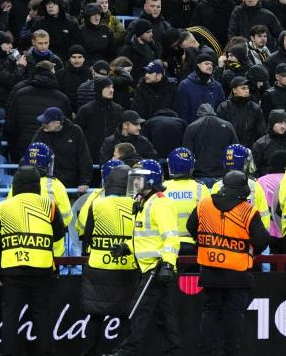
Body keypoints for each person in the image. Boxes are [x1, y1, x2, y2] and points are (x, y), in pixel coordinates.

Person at [186, 169, 270, 356]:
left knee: (211, 312)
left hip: (210, 270)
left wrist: (205, 244)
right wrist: (252, 251)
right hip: (237, 273)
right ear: (244, 190)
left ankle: (206, 352)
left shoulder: (205, 204)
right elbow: (263, 240)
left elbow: (190, 226)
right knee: (234, 316)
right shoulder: (247, 210)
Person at [0, 166, 65, 356]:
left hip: (12, 271)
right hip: (42, 270)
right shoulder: (50, 205)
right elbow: (59, 234)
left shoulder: (3, 207)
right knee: (43, 316)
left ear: (16, 185)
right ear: (36, 185)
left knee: (11, 317)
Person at [107, 160, 181, 356]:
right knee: (163, 316)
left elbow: (171, 237)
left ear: (150, 180)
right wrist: (126, 247)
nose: (134, 184)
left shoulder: (160, 203)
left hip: (155, 268)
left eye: (138, 179)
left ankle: (127, 351)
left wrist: (167, 264)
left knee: (137, 311)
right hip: (148, 267)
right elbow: (145, 239)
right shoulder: (144, 203)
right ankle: (174, 350)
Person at [76, 166, 138, 356]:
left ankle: (89, 353)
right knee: (127, 316)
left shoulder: (97, 204)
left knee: (95, 317)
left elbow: (86, 236)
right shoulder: (136, 204)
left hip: (99, 268)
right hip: (127, 268)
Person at [31, 106, 93, 191]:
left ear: (57, 123)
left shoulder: (75, 131)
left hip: (72, 185)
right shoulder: (41, 133)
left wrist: (84, 182)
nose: (43, 124)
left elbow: (84, 158)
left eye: (46, 122)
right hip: (48, 185)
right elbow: (32, 156)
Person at [163, 148, 211, 254]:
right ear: (192, 167)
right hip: (194, 245)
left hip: (167, 244)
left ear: (169, 166)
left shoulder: (162, 188)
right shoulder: (201, 188)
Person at [177, 52, 226, 123]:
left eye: (211, 64)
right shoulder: (185, 85)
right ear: (198, 65)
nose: (210, 66)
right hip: (192, 130)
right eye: (206, 64)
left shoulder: (217, 86)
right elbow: (182, 112)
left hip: (213, 129)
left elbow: (221, 111)